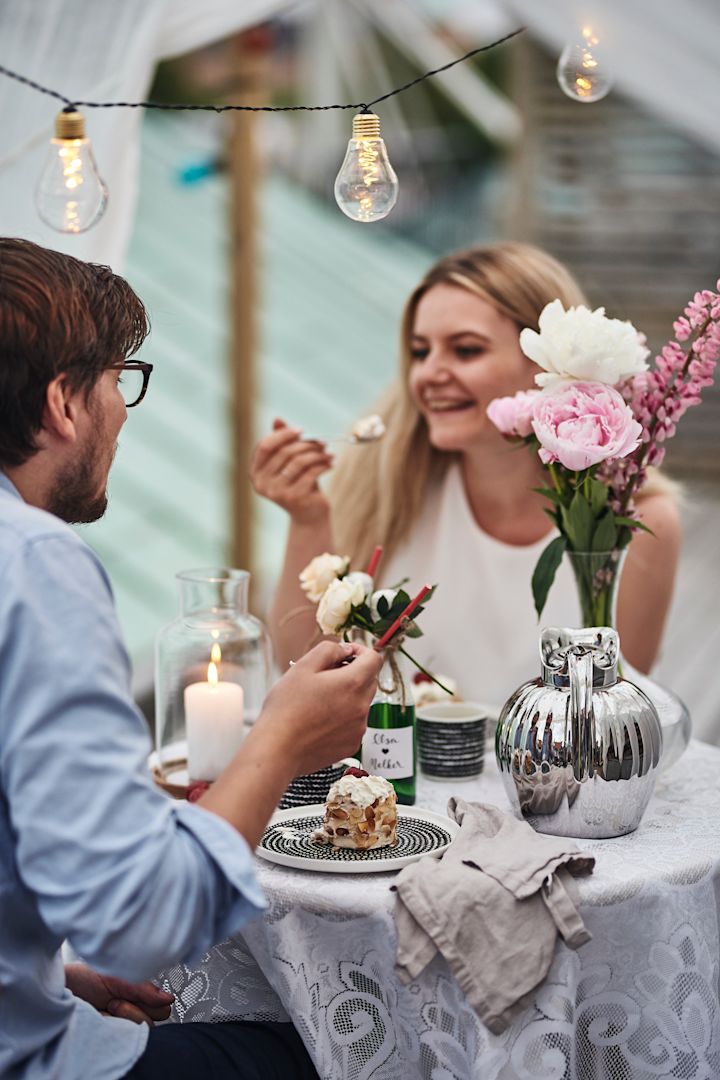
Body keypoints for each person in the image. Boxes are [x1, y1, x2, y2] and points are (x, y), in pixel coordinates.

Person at [0, 237, 382, 1080]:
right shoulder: (32, 562)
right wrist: (278, 740)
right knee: (341, 1043)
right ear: (64, 402)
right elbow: (141, 922)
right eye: (118, 380)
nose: (125, 412)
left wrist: (42, 979)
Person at [251, 243, 681, 707]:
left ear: (549, 363)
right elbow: (298, 667)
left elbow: (616, 713)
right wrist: (308, 519)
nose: (429, 373)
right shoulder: (382, 484)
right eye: (420, 351)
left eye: (465, 349)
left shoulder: (639, 525)